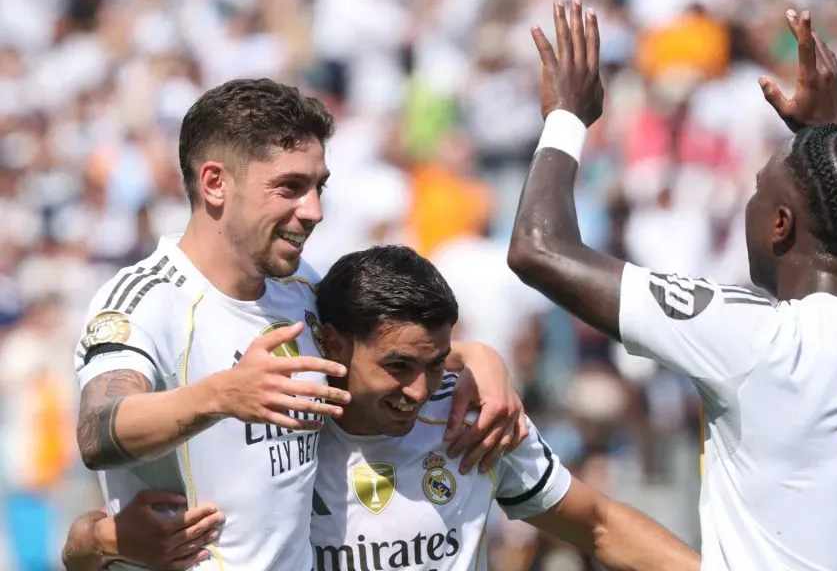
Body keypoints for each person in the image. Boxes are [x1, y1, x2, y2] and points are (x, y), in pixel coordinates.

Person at [507, 1, 837, 571]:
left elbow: (539, 249)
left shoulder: (752, 337)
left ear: (781, 224)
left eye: (759, 190)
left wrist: (566, 116)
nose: (749, 202)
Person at [72, 78, 526, 571]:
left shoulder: (303, 286)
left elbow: (385, 350)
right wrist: (221, 396)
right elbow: (98, 431)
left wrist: (479, 357)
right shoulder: (147, 301)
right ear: (215, 183)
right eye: (290, 187)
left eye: (318, 187)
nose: (314, 211)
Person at [64, 245, 702, 571]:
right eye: (398, 367)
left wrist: (480, 358)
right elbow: (82, 545)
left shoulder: (472, 418)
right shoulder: (274, 430)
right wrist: (106, 538)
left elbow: (600, 526)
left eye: (436, 361)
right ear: (333, 343)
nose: (422, 389)